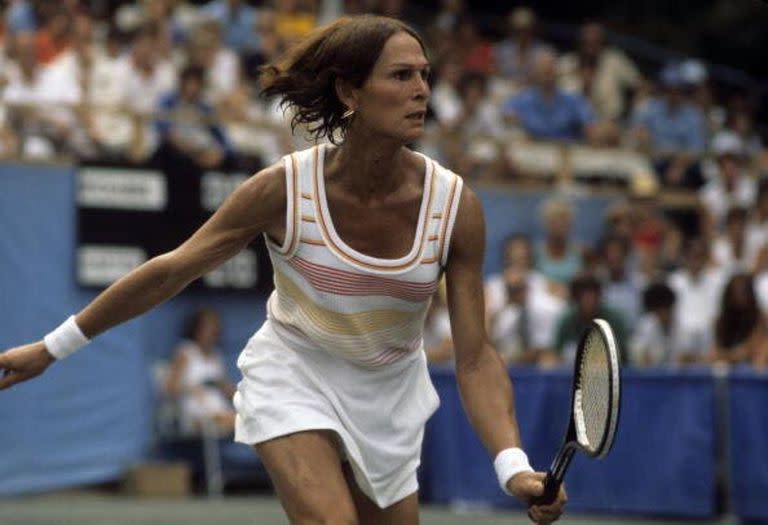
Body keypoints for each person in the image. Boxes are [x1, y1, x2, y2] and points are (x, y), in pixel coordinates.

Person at [0, 16, 565, 525]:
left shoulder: (455, 206)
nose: (420, 90)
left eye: (424, 75)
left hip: (390, 398)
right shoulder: (283, 189)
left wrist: (512, 468)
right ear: (349, 90)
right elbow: (171, 271)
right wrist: (52, 347)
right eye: (399, 76)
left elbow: (474, 357)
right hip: (295, 371)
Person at [164, 308, 236, 436]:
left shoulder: (216, 355)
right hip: (192, 411)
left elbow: (227, 390)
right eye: (208, 327)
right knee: (239, 423)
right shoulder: (185, 352)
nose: (213, 331)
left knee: (247, 419)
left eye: (215, 327)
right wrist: (193, 388)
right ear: (197, 329)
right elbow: (170, 389)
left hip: (217, 407)